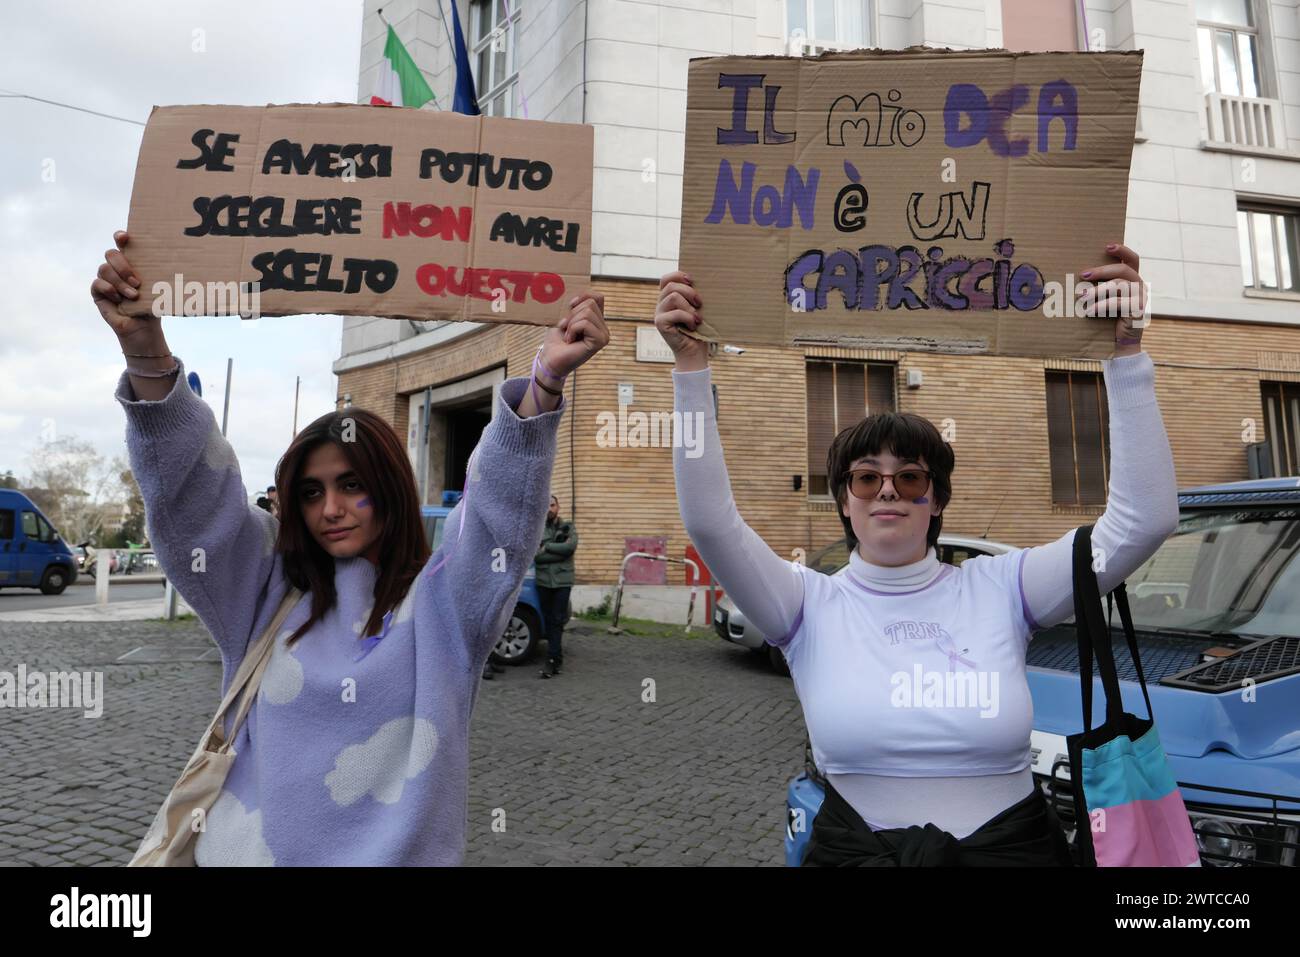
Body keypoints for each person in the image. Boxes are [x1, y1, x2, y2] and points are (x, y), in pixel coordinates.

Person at [93, 229, 609, 865]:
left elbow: (498, 516)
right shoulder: (262, 596)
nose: (330, 509)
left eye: (352, 485)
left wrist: (544, 384)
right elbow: (198, 500)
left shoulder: (447, 610)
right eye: (310, 492)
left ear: (389, 488)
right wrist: (146, 353)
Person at [656, 243, 1178, 866]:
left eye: (909, 478)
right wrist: (691, 369)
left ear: (936, 501)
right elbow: (712, 524)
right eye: (865, 477)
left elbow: (1144, 521)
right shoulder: (805, 603)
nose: (887, 491)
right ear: (844, 502)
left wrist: (1126, 355)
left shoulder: (1002, 588)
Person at [533, 494, 577, 678]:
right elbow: (535, 556)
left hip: (562, 582)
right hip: (543, 581)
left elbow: (569, 548)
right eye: (546, 505)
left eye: (552, 505)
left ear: (558, 507)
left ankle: (551, 661)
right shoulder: (536, 530)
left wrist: (547, 547)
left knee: (557, 620)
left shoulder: (568, 527)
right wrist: (557, 551)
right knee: (549, 620)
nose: (549, 509)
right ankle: (556, 658)